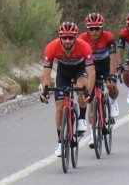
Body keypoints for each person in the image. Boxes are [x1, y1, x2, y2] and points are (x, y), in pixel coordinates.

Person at [40, 22, 95, 158]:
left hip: (79, 70)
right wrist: (45, 91)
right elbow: (46, 72)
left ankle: (82, 117)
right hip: (63, 73)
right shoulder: (51, 47)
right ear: (60, 37)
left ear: (75, 37)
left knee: (81, 86)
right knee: (59, 108)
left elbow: (91, 72)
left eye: (70, 38)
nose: (67, 40)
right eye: (64, 37)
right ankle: (60, 141)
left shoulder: (84, 46)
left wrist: (89, 91)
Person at [78, 13, 121, 148]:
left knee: (110, 84)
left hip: (105, 65)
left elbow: (113, 57)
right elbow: (79, 60)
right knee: (90, 98)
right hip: (90, 67)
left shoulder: (108, 37)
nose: (94, 31)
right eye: (91, 28)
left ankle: (113, 102)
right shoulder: (82, 39)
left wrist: (112, 75)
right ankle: (92, 134)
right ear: (87, 29)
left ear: (102, 28)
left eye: (97, 28)